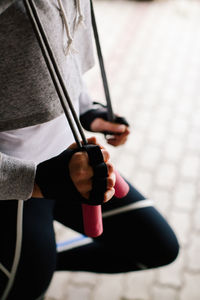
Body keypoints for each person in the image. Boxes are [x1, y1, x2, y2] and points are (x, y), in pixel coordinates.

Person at [0, 1, 179, 299]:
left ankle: (45, 260)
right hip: (16, 184)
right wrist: (37, 180)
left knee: (157, 246)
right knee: (27, 287)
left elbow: (61, 58)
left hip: (73, 161)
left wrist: (87, 109)